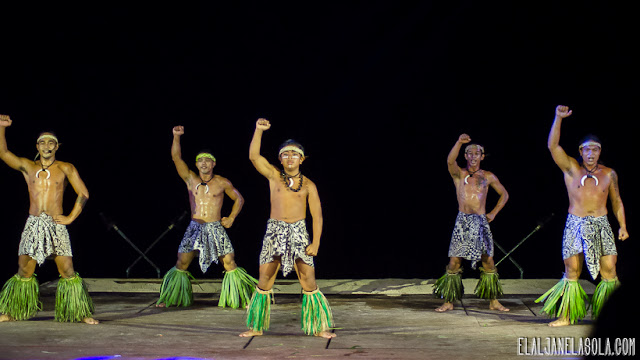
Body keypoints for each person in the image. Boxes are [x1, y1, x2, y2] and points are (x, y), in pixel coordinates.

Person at [239, 118, 335, 339]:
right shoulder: (274, 176)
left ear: (302, 159)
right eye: (285, 154)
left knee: (308, 279)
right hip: (274, 230)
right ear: (280, 158)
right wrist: (258, 130)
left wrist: (316, 242)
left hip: (299, 232)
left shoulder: (309, 185)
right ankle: (256, 326)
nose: (289, 158)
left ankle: (319, 326)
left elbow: (317, 215)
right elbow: (254, 156)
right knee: (265, 278)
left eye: (294, 154)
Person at [536, 105, 628, 326]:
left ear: (600, 152)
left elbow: (616, 202)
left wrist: (622, 225)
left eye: (595, 150)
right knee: (572, 270)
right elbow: (552, 146)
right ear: (580, 151)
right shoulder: (571, 169)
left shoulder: (609, 174)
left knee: (609, 270)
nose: (591, 154)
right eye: (587, 150)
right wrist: (558, 117)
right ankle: (566, 316)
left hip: (601, 224)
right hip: (575, 223)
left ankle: (611, 317)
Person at [0, 114, 98, 324]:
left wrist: (70, 217)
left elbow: (84, 193)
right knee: (24, 270)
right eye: (43, 142)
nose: (47, 145)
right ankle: (13, 311)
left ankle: (79, 312)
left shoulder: (65, 168)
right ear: (37, 145)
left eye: (51, 142)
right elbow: (3, 153)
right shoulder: (29, 167)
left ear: (56, 146)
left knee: (67, 270)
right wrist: (2, 127)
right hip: (34, 223)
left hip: (55, 224)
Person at [156, 126, 256, 309]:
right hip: (195, 227)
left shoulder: (222, 182)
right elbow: (176, 158)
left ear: (213, 164)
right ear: (196, 164)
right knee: (182, 262)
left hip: (215, 227)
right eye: (200, 160)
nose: (203, 163)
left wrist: (232, 218)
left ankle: (242, 298)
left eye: (207, 160)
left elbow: (239, 199)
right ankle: (171, 297)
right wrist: (176, 136)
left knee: (229, 262)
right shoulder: (190, 179)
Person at [433, 133, 510, 313]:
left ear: (482, 157)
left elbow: (504, 195)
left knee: (488, 261)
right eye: (470, 153)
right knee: (454, 262)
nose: (473, 156)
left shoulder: (488, 176)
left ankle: (494, 301)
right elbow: (450, 161)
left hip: (481, 222)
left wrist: (494, 213)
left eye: (477, 153)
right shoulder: (459, 174)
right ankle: (449, 301)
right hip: (463, 222)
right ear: (465, 156)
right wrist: (459, 142)